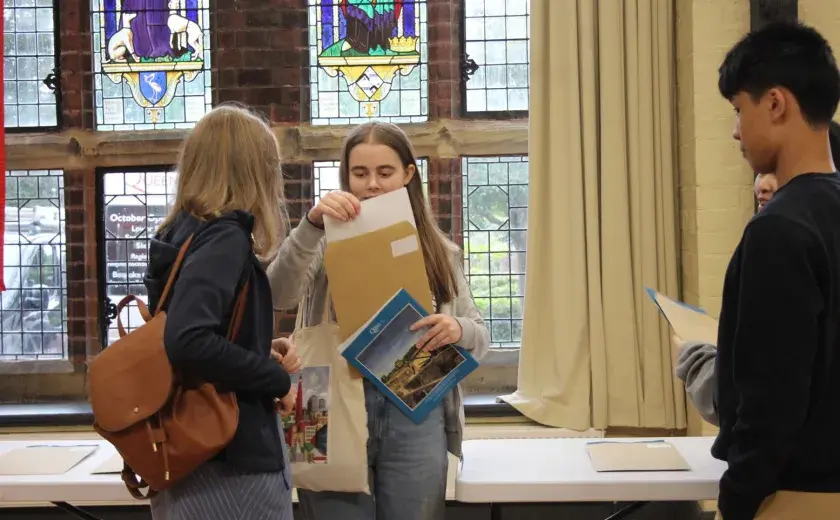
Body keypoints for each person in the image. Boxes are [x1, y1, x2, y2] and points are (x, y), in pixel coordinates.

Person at [267, 121, 490, 520]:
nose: (372, 184)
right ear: (345, 176)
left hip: (416, 403)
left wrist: (457, 329)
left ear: (408, 175)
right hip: (321, 398)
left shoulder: (439, 250)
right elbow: (277, 296)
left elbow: (478, 333)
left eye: (385, 173)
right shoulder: (319, 238)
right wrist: (311, 226)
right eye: (360, 173)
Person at [708, 21, 840, 520]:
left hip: (795, 498)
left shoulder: (778, 228)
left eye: (740, 110)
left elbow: (773, 400)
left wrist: (736, 499)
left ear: (776, 103)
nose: (736, 130)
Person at [143, 103, 300, 520]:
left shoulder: (179, 234)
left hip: (187, 450)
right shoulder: (225, 237)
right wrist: (275, 379)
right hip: (230, 461)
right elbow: (188, 340)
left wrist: (253, 349)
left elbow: (195, 335)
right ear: (256, 170)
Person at [675, 118, 840, 428]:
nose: (763, 185)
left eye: (777, 172)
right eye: (761, 172)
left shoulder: (780, 241)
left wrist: (694, 358)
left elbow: (753, 400)